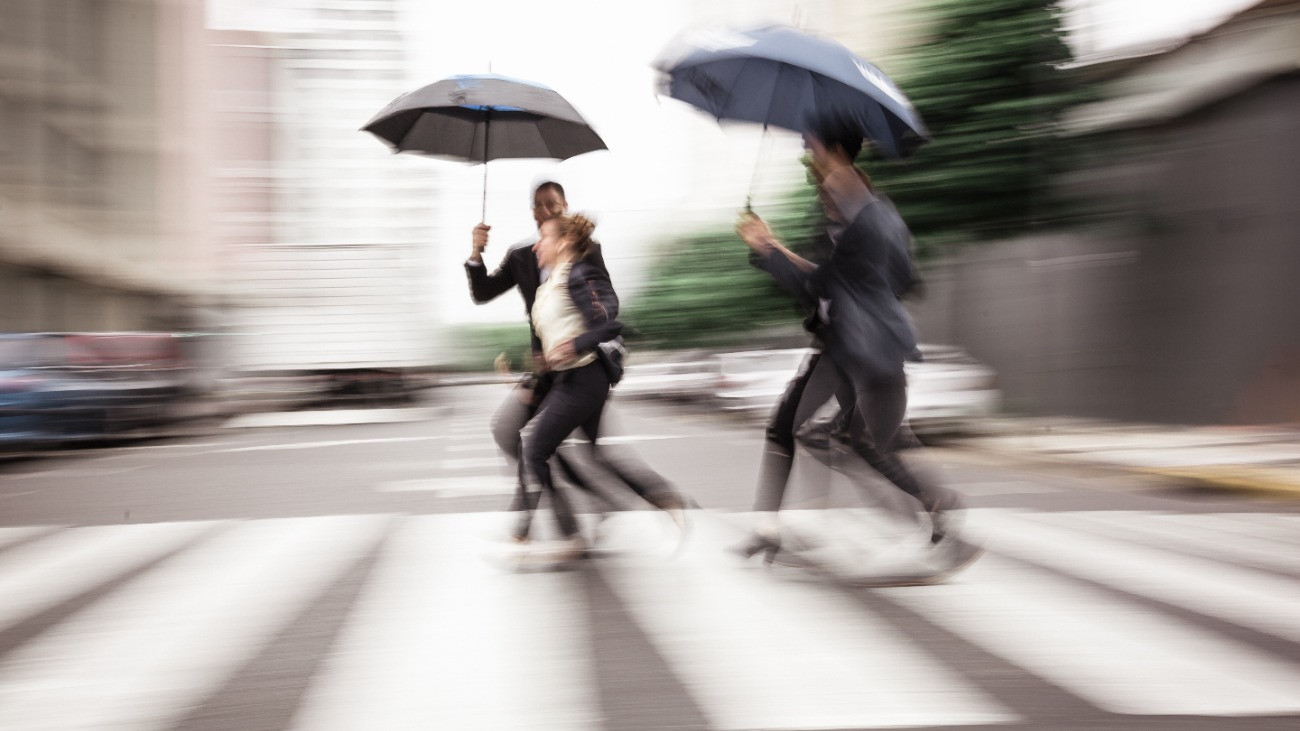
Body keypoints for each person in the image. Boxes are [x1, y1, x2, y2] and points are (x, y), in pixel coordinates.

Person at [733, 109, 960, 563]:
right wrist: (776, 249)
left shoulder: (860, 206)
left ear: (833, 147)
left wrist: (769, 250)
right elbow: (851, 276)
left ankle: (937, 510)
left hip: (857, 345)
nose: (804, 149)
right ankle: (773, 527)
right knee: (814, 430)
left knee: (861, 439)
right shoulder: (854, 204)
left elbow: (827, 282)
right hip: (845, 341)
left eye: (810, 142)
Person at [519, 213, 687, 562]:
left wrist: (575, 344)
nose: (537, 244)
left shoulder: (580, 273)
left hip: (586, 379)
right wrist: (543, 363)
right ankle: (666, 499)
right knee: (596, 456)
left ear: (563, 242)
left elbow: (609, 322)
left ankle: (548, 535)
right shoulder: (548, 282)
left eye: (543, 238)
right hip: (569, 379)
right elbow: (552, 332)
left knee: (534, 448)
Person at [464, 181, 618, 541]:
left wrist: (578, 341)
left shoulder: (587, 252)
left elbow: (606, 308)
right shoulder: (523, 255)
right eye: (538, 205)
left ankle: (558, 517)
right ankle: (566, 514)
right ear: (532, 211)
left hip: (581, 367)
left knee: (569, 450)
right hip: (544, 370)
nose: (545, 211)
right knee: (511, 434)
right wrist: (476, 253)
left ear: (565, 205)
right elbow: (482, 293)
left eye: (552, 204)